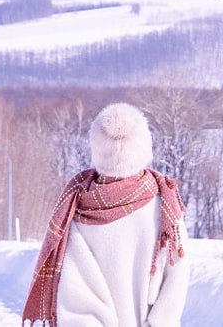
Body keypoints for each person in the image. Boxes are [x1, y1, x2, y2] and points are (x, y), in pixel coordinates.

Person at [23, 103, 191, 327]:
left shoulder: (77, 207)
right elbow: (177, 275)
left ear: (97, 149)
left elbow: (75, 294)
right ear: (144, 147)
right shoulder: (165, 206)